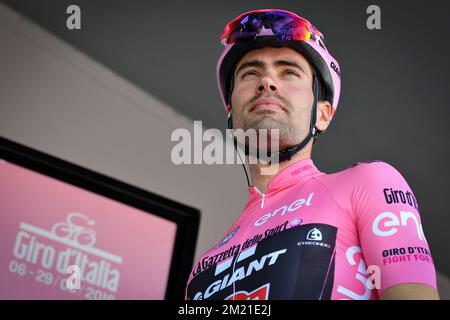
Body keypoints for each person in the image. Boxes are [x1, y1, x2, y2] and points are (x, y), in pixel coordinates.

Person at [185, 9, 439, 300]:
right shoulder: (203, 267)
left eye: (289, 72)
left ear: (322, 114)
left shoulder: (369, 182)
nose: (266, 82)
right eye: (250, 72)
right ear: (231, 112)